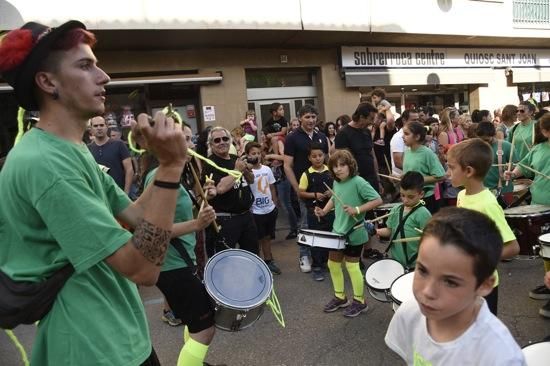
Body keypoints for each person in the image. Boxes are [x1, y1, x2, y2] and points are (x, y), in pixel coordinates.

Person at [0, 20, 189, 365]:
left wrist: (161, 164)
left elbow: (136, 217)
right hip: (91, 346)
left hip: (119, 337)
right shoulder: (45, 163)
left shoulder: (70, 149)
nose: (104, 77)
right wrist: (173, 169)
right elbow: (143, 269)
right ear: (47, 82)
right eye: (85, 65)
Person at [385, 207, 526, 366]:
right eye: (423, 270)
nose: (428, 292)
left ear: (485, 285)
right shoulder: (409, 314)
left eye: (450, 282)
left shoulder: (500, 356)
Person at [142, 141, 218, 366]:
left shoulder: (172, 173)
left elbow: (174, 215)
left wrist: (202, 206)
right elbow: (152, 230)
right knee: (205, 330)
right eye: (184, 139)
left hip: (178, 261)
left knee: (195, 323)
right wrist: (197, 224)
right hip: (172, 264)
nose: (192, 144)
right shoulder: (161, 175)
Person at [447, 138, 520, 315]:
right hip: (465, 280)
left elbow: (512, 247)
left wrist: (480, 257)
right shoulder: (462, 195)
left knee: (482, 332)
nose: (448, 172)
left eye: (451, 167)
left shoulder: (487, 204)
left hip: (484, 285)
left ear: (469, 171)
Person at [315, 150, 382, 317]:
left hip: (355, 231)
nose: (338, 169)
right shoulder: (337, 182)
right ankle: (340, 297)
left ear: (350, 165)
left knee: (352, 266)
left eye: (342, 165)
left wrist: (357, 209)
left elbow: (377, 200)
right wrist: (324, 211)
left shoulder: (359, 182)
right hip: (338, 230)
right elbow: (335, 198)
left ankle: (360, 302)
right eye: (335, 166)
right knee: (333, 264)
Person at [505, 114, 550, 318]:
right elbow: (523, 166)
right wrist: (513, 173)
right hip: (539, 205)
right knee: (546, 252)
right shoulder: (539, 149)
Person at [284, 104, 329, 272]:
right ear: (300, 118)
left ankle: (322, 256)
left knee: (323, 222)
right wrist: (296, 187)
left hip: (324, 188)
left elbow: (328, 160)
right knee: (305, 223)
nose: (311, 120)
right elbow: (287, 165)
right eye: (307, 117)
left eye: (313, 117)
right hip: (304, 187)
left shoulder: (322, 136)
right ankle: (304, 255)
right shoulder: (292, 137)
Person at [202, 127, 258, 256]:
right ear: (211, 144)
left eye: (225, 139)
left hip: (246, 216)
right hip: (226, 220)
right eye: (217, 140)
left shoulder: (235, 158)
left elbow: (251, 180)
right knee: (225, 259)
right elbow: (220, 189)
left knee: (252, 256)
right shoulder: (209, 164)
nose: (222, 142)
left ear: (230, 140)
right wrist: (237, 171)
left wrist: (246, 170)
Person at [376, 171, 432, 270]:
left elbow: (430, 241)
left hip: (415, 265)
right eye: (402, 195)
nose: (405, 200)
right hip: (396, 262)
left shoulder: (423, 214)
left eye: (410, 197)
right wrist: (375, 231)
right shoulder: (396, 210)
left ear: (421, 194)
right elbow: (390, 231)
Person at [298, 143, 334, 281]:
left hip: (330, 210)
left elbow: (337, 188)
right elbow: (301, 192)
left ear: (324, 156)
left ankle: (326, 262)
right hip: (314, 211)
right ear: (309, 158)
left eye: (320, 155)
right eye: (314, 156)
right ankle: (317, 266)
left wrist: (332, 193)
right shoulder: (306, 174)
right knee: (316, 238)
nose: (318, 158)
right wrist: (315, 195)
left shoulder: (330, 171)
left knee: (329, 237)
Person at [245, 142, 281, 275]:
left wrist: (275, 203)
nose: (256, 156)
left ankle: (268, 260)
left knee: (267, 237)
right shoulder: (247, 172)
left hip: (269, 209)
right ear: (247, 155)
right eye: (253, 153)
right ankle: (257, 264)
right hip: (256, 211)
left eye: (258, 153)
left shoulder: (267, 169)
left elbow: (272, 187)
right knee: (257, 239)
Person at [402, 121, 446, 214]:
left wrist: (418, 180)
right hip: (411, 197)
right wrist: (403, 178)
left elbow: (441, 176)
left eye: (406, 134)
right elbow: (410, 173)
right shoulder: (407, 152)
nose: (403, 136)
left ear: (417, 137)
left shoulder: (427, 153)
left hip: (426, 198)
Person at [88, 115, 134, 194]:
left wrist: (126, 192)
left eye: (102, 125)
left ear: (106, 127)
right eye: (95, 126)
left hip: (119, 193)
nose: (99, 128)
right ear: (91, 129)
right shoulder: (87, 149)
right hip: (98, 194)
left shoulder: (119, 145)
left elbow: (129, 169)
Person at [476, 121, 518, 206]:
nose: (484, 143)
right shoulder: (475, 147)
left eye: (487, 140)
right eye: (481, 140)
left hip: (504, 189)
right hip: (482, 190)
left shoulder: (507, 146)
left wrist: (510, 167)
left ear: (494, 134)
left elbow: (518, 166)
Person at [390, 109, 419, 177]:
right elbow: (398, 162)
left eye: (418, 120)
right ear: (404, 120)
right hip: (402, 178)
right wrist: (415, 172)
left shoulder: (415, 135)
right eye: (413, 120)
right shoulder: (398, 137)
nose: (417, 122)